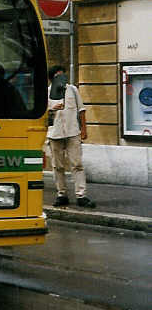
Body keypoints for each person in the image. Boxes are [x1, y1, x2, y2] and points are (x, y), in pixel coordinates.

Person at [46, 65, 94, 208]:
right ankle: (62, 194)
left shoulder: (72, 90)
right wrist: (51, 110)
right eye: (57, 75)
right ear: (52, 78)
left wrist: (84, 130)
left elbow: (82, 111)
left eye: (62, 75)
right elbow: (43, 117)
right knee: (57, 166)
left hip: (73, 133)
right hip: (55, 134)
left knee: (77, 164)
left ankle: (81, 195)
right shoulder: (47, 93)